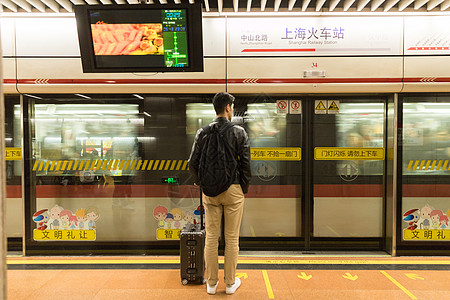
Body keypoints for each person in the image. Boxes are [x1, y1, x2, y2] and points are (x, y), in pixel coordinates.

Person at [188, 92, 251, 295]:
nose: (232, 110)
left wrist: (202, 182)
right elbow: (246, 164)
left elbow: (192, 163)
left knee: (211, 237)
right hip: (233, 190)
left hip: (210, 192)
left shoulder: (202, 132)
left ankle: (212, 284)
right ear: (227, 108)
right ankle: (231, 283)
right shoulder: (239, 132)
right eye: (232, 106)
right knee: (231, 238)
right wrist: (243, 187)